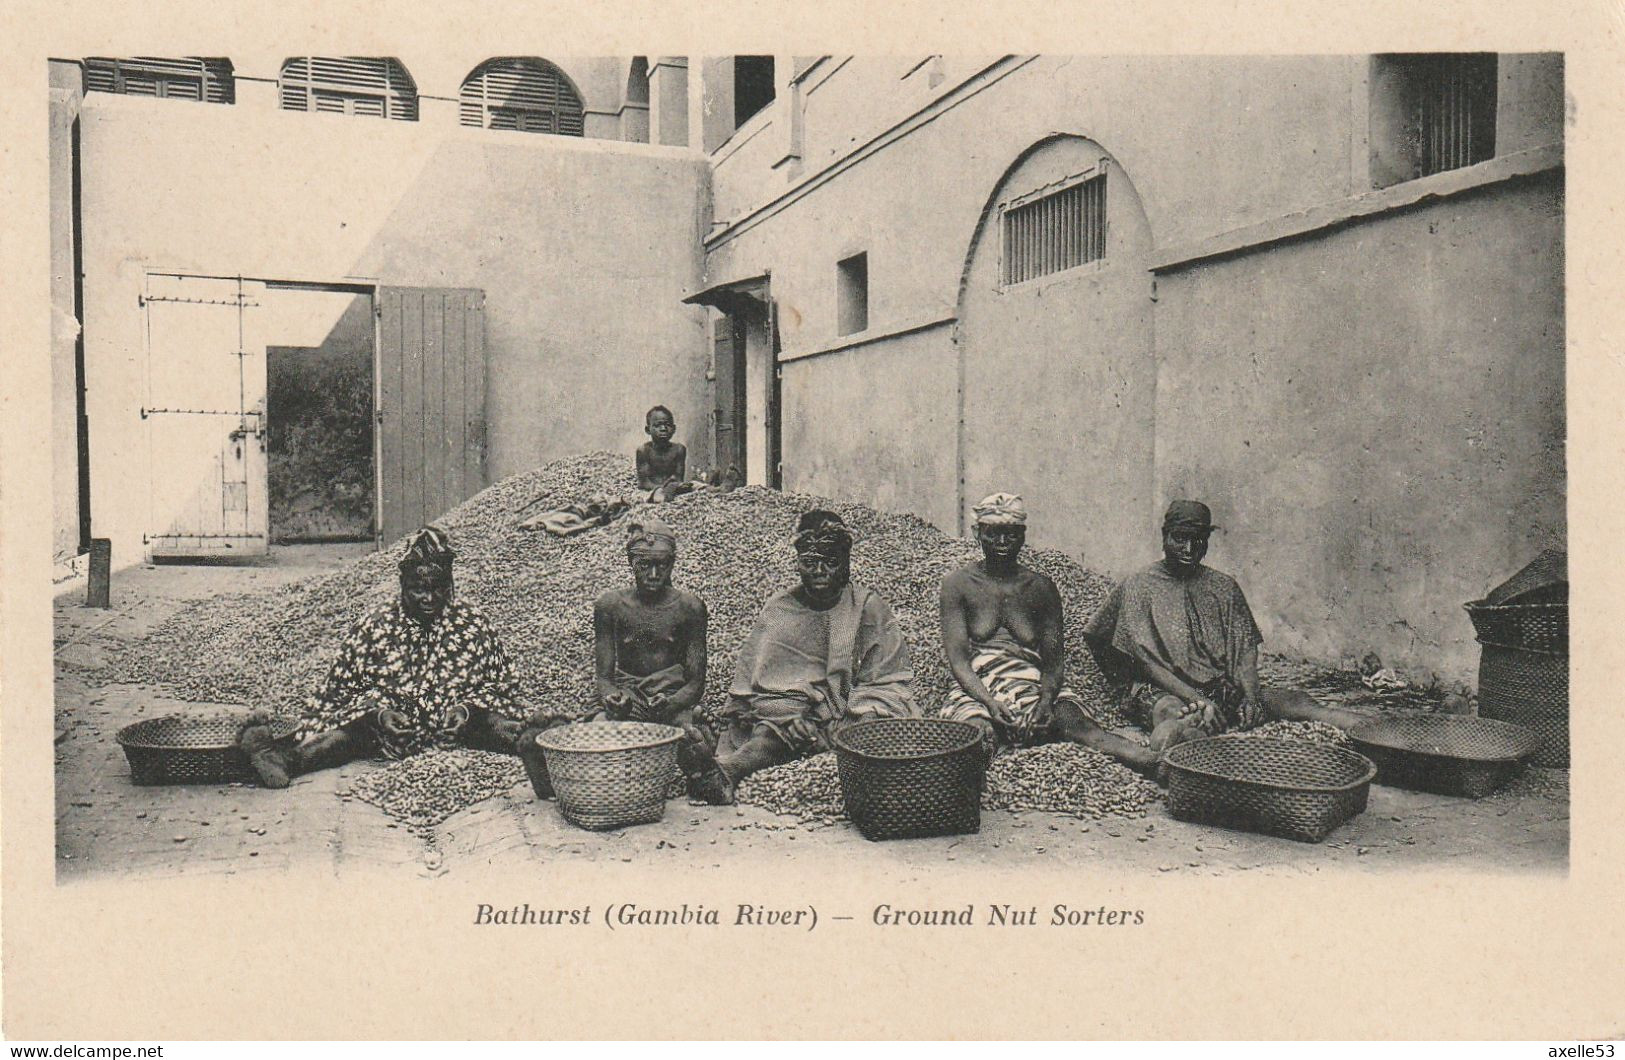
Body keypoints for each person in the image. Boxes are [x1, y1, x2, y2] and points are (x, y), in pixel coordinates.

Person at [237, 526, 558, 795]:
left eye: (438, 588)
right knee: (344, 737)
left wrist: (465, 709)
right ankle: (284, 758)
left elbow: (501, 684)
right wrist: (379, 715)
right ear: (403, 585)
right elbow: (338, 692)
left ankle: (536, 748)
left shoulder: (471, 622)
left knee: (494, 724)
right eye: (419, 588)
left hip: (462, 730)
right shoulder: (375, 625)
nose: (429, 598)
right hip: (384, 736)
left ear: (450, 586)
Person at [1083, 500, 1369, 754]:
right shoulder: (1140, 586)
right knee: (1173, 717)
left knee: (1295, 703)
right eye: (1180, 539)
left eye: (1198, 541)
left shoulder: (1223, 587)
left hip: (1219, 686)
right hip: (1163, 688)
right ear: (1164, 537)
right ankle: (1189, 757)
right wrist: (1197, 701)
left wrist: (1251, 698)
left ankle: (1375, 735)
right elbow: (1146, 664)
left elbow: (1245, 651)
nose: (1189, 549)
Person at [679, 510, 917, 804]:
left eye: (830, 562)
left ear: (846, 564)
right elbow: (758, 687)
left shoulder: (868, 608)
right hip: (791, 721)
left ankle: (835, 749)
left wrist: (850, 720)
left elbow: (886, 682)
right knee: (766, 736)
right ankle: (726, 772)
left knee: (873, 732)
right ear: (798, 563)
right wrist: (790, 717)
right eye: (810, 562)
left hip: (851, 717)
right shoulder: (780, 609)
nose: (820, 571)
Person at [938, 493, 1160, 772]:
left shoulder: (1041, 588)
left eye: (1011, 534)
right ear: (977, 533)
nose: (1002, 542)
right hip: (977, 688)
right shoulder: (958, 585)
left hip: (1033, 682)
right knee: (977, 737)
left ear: (1023, 536)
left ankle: (1156, 763)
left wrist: (1045, 701)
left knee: (1081, 729)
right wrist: (990, 703)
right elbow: (958, 661)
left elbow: (1054, 663)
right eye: (993, 533)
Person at [590, 514, 708, 725]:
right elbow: (604, 678)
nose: (654, 574)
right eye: (644, 565)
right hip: (629, 696)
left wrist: (672, 702)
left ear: (672, 564)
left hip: (670, 696)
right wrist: (613, 699)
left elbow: (696, 682)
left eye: (661, 565)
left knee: (693, 741)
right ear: (631, 562)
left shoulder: (690, 608)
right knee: (600, 731)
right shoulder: (609, 606)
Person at [635, 405, 688, 498]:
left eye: (667, 425)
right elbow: (644, 483)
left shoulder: (679, 449)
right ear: (648, 430)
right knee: (655, 496)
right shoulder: (643, 451)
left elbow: (679, 478)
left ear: (674, 428)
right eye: (657, 425)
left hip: (673, 489)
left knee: (697, 486)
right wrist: (662, 488)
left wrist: (675, 485)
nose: (663, 428)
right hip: (651, 491)